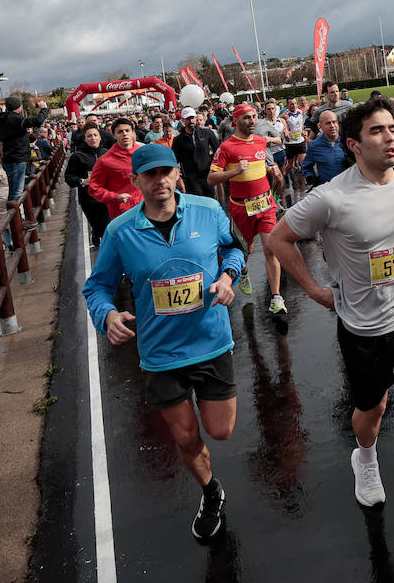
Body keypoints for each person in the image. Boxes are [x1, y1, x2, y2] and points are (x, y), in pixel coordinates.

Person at [269, 98, 394, 558]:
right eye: (377, 131)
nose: (391, 136)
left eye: (392, 128)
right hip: (363, 329)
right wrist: (316, 291)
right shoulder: (331, 198)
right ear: (354, 145)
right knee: (371, 414)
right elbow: (279, 239)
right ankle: (366, 458)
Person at [82, 144, 246, 541]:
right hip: (160, 355)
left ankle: (208, 468)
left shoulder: (206, 211)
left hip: (211, 341)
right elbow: (97, 287)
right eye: (149, 174)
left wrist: (227, 277)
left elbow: (233, 248)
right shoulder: (121, 232)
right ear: (135, 181)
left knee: (220, 431)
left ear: (176, 174)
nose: (159, 181)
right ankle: (210, 491)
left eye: (165, 172)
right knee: (186, 437)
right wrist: (107, 316)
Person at [208, 104, 285, 312]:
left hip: (266, 204)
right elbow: (211, 178)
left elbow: (262, 164)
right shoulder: (226, 147)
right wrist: (233, 173)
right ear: (236, 122)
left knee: (271, 249)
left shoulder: (260, 142)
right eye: (246, 118)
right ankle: (242, 271)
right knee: (245, 249)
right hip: (241, 207)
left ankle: (276, 297)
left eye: (253, 117)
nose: (252, 121)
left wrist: (271, 169)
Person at [0, 95, 50, 202]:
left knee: (14, 189)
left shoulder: (3, 119)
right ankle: (17, 217)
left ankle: (17, 216)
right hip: (17, 159)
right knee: (16, 192)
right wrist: (44, 109)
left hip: (8, 157)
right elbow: (37, 121)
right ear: (18, 107)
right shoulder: (16, 119)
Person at [89, 118, 144, 220]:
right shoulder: (105, 161)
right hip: (122, 214)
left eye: (127, 130)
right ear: (114, 135)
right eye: (120, 132)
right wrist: (114, 197)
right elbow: (94, 188)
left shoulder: (144, 153)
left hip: (148, 209)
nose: (124, 134)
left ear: (133, 133)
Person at [65, 126, 111, 246]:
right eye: (89, 136)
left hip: (108, 197)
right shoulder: (77, 156)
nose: (93, 138)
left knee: (108, 227)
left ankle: (106, 244)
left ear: (100, 137)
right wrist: (82, 181)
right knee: (98, 226)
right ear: (85, 139)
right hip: (89, 199)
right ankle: (96, 233)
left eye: (95, 135)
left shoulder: (107, 153)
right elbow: (69, 177)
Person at [171, 106, 220, 196]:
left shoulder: (207, 133)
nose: (191, 121)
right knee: (198, 203)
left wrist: (215, 168)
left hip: (207, 175)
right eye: (188, 119)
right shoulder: (178, 140)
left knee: (210, 201)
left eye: (192, 118)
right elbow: (174, 160)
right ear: (183, 120)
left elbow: (218, 151)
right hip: (191, 179)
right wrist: (179, 178)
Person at [302, 109, 347, 187]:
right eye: (328, 123)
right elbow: (306, 166)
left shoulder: (348, 141)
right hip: (329, 189)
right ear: (320, 126)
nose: (332, 126)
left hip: (349, 187)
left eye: (334, 122)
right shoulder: (314, 145)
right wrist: (310, 177)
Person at [281, 97, 308, 183]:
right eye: (291, 104)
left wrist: (303, 130)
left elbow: (301, 124)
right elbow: (280, 124)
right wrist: (286, 132)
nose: (294, 105)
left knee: (303, 162)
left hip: (300, 141)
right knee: (291, 165)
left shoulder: (300, 112)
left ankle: (307, 181)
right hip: (290, 143)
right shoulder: (284, 115)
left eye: (295, 103)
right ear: (287, 105)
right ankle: (284, 174)